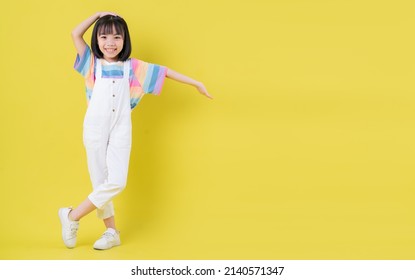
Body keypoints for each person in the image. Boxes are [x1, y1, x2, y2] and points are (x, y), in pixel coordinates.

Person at [59, 12, 212, 250]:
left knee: (116, 182)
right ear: (97, 40)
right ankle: (111, 232)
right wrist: (97, 15)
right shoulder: (91, 64)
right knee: (100, 182)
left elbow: (165, 72)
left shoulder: (134, 68)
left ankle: (72, 216)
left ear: (125, 40)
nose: (110, 42)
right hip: (94, 128)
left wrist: (196, 83)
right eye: (104, 36)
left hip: (121, 128)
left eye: (117, 37)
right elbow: (75, 33)